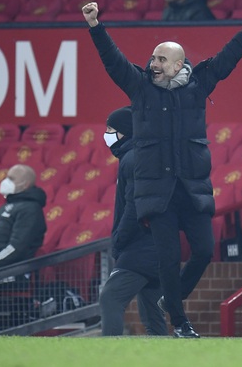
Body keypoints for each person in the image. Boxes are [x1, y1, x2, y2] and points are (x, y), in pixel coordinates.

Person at [82, 0, 242, 338]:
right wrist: (96, 26)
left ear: (179, 64)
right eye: (153, 58)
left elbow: (229, 58)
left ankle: (171, 302)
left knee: (203, 250)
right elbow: (114, 63)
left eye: (160, 59)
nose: (152, 63)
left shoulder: (199, 86)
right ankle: (181, 322)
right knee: (168, 258)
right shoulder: (140, 89)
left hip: (192, 189)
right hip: (158, 193)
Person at [99, 106, 167, 336]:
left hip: (141, 246)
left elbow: (134, 207)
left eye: (110, 129)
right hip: (157, 244)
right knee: (151, 312)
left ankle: (111, 357)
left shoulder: (132, 159)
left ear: (125, 131)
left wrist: (118, 240)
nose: (106, 134)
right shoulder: (139, 156)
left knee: (111, 297)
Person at [0, 164, 47, 272]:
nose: (5, 182)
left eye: (11, 179)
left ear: (25, 185)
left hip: (8, 272)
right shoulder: (6, 207)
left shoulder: (31, 210)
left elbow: (16, 248)